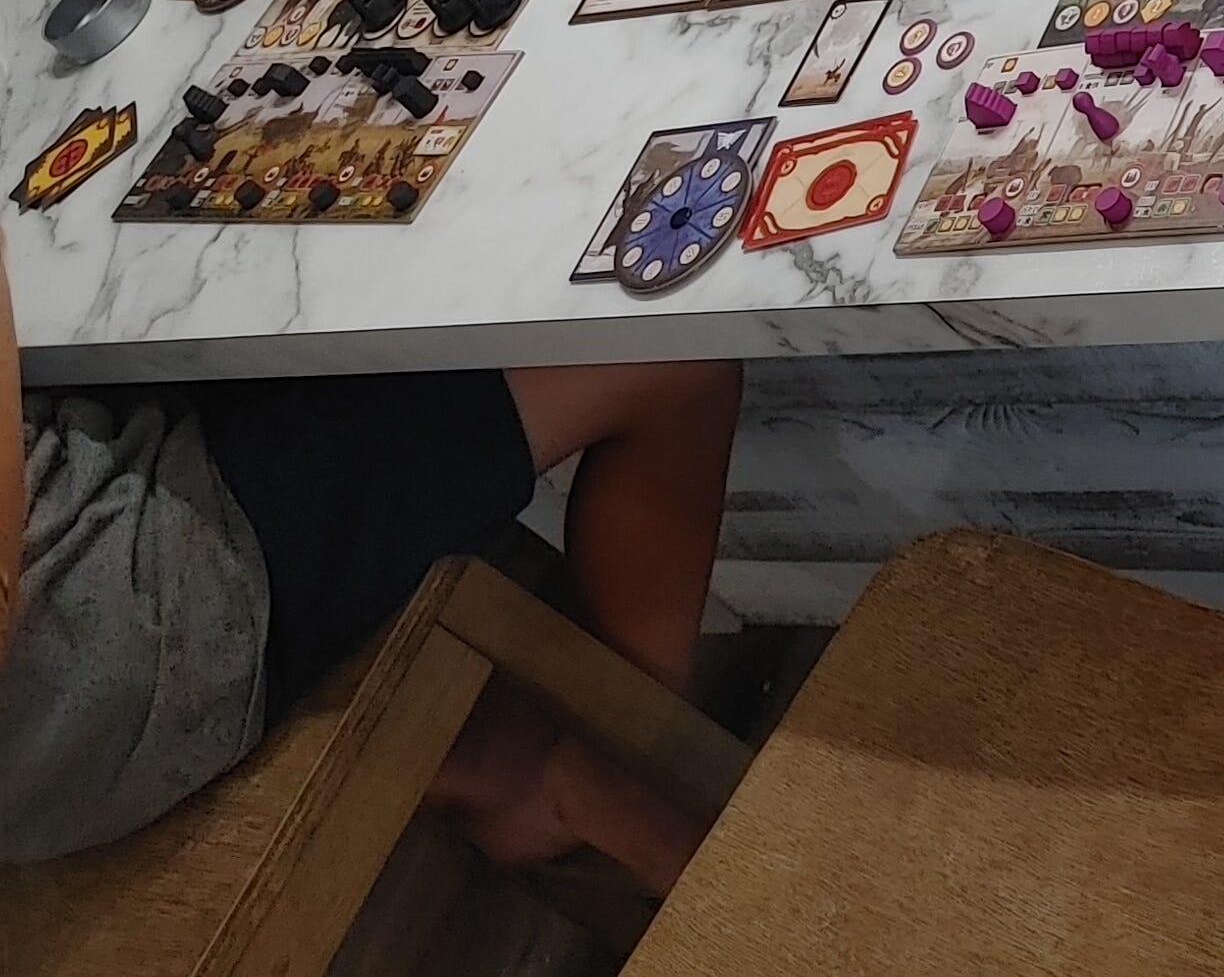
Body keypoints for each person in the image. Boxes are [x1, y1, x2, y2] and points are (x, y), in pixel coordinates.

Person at [0, 224, 738, 887]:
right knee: (669, 356)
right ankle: (625, 763)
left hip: (43, 749)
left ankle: (500, 762)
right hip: (112, 651)